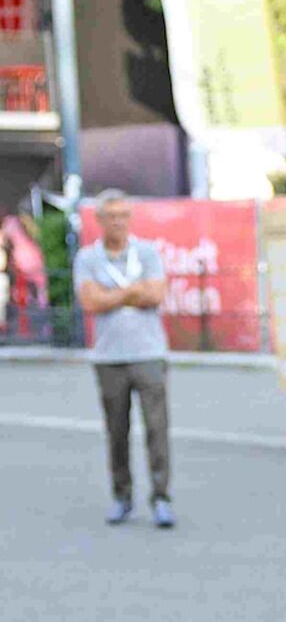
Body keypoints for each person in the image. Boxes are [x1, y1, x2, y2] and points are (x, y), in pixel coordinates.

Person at [74, 189, 174, 528]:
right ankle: (122, 496)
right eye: (111, 216)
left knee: (157, 430)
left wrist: (111, 295)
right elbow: (91, 302)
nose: (118, 222)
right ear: (100, 220)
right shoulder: (88, 258)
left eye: (123, 215)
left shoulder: (146, 252)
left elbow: (156, 294)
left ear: (130, 218)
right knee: (117, 432)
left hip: (149, 353)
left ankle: (161, 497)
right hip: (109, 357)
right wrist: (132, 291)